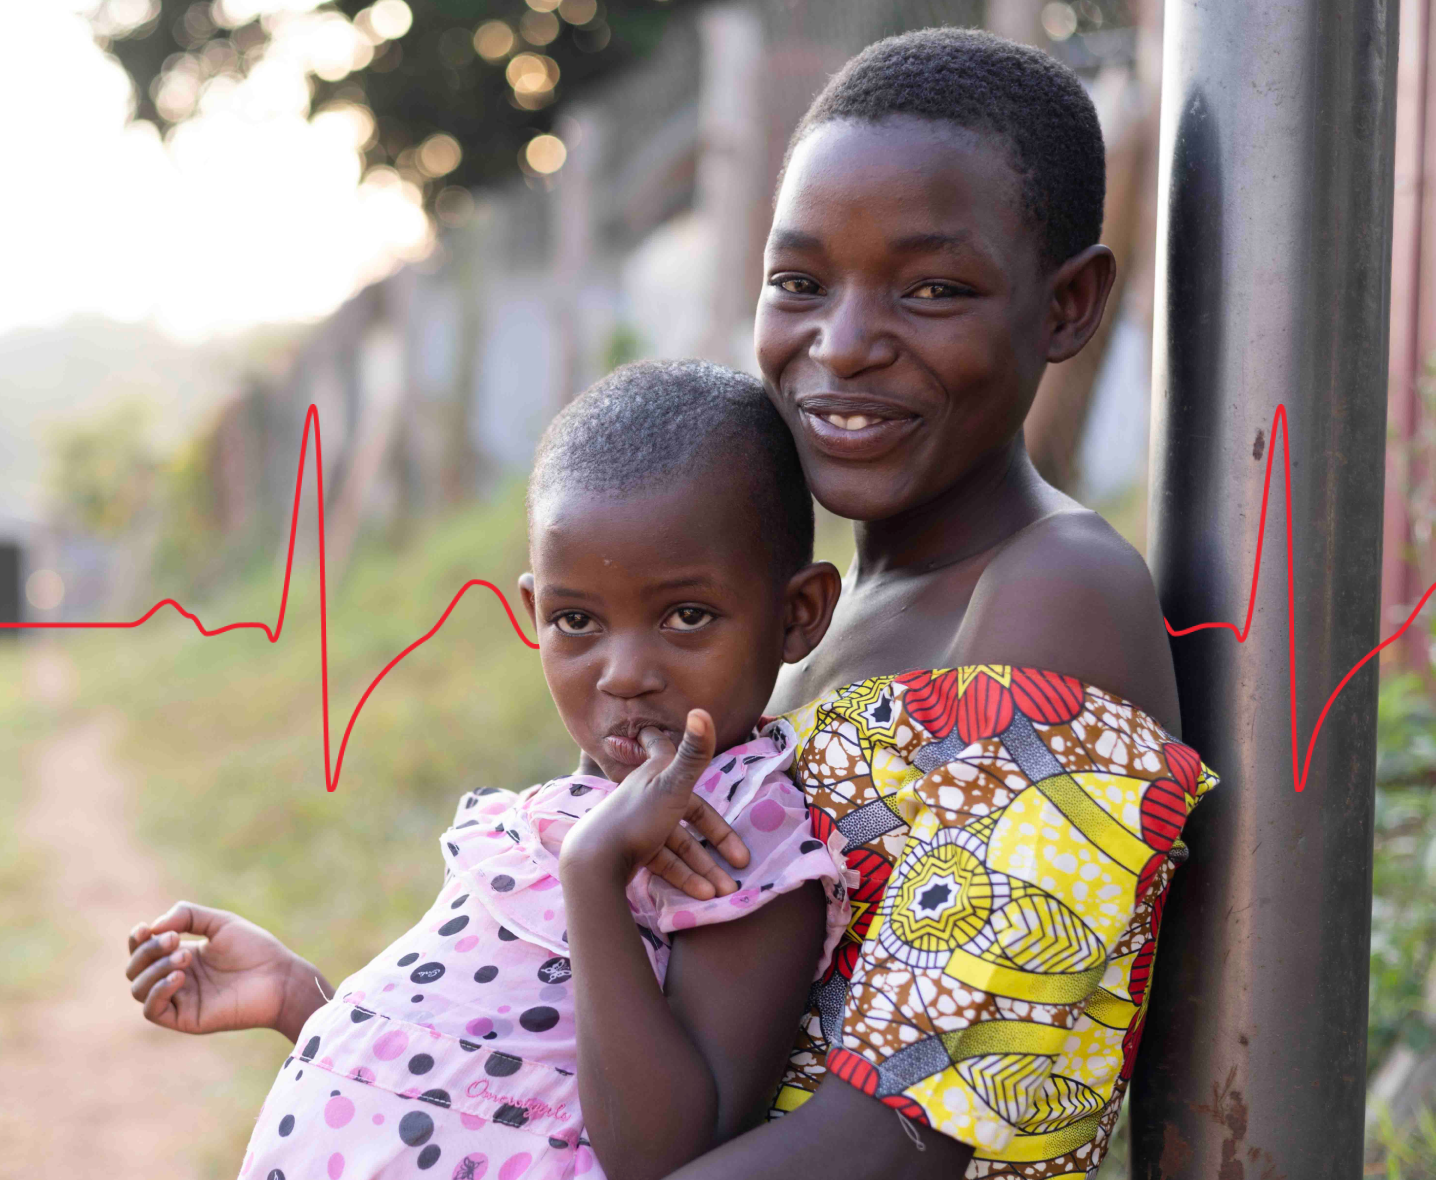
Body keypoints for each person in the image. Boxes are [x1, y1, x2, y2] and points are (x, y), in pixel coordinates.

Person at [658, 28, 1219, 1180]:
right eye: (799, 282)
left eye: (932, 290)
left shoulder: (1053, 596)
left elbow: (892, 1144)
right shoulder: (807, 619)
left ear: (1068, 306)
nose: (844, 344)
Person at [123, 360, 855, 1180]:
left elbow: (668, 1156)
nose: (621, 673)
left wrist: (594, 874)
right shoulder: (539, 817)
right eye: (576, 620)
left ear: (798, 614)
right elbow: (484, 1086)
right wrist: (301, 998)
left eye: (686, 616)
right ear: (530, 612)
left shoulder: (735, 834)